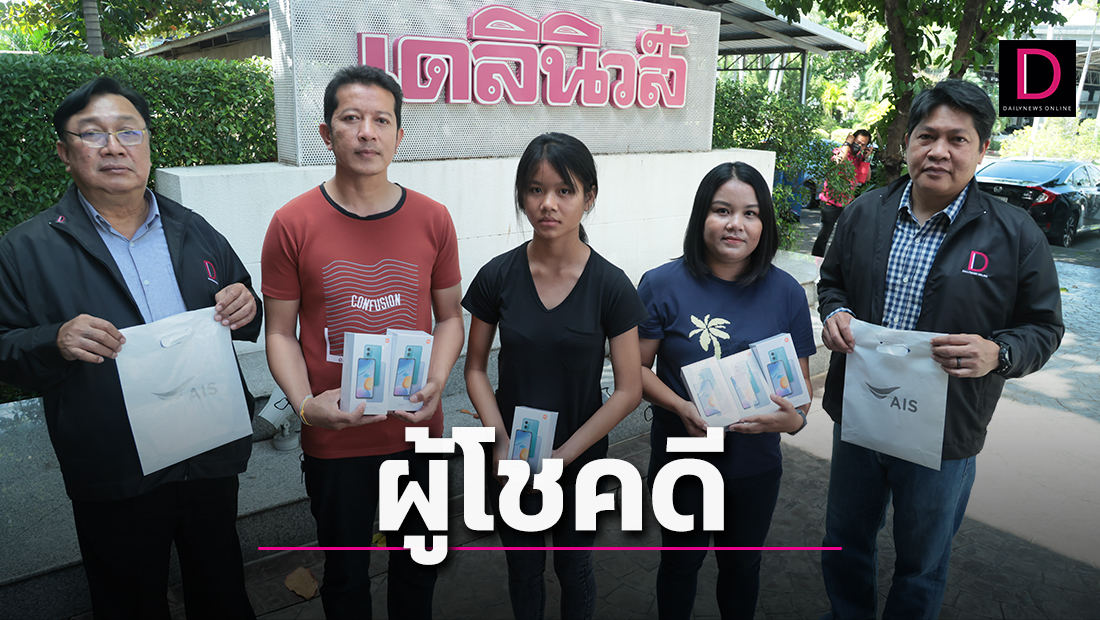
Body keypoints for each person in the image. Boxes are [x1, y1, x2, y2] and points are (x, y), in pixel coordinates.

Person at [0, 77, 260, 619]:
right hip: (114, 460)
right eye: (93, 134)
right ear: (64, 152)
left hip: (206, 448)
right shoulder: (26, 248)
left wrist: (246, 304)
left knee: (221, 586)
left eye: (128, 132)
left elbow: (242, 300)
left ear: (147, 144)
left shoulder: (193, 228)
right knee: (127, 599)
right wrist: (54, 339)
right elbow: (6, 347)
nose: (114, 147)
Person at [817, 79, 1063, 618]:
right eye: (927, 136)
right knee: (844, 542)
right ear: (908, 141)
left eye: (958, 139)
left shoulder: (1016, 234)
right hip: (860, 416)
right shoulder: (865, 212)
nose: (939, 151)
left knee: (922, 562)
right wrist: (834, 313)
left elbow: (1044, 327)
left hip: (945, 430)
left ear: (982, 149)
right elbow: (832, 284)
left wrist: (998, 353)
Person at [261, 65, 465, 619]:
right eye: (351, 118)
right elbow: (278, 331)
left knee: (417, 565)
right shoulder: (292, 223)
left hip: (416, 432)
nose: (367, 132)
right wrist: (306, 407)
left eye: (382, 120)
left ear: (399, 134)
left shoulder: (433, 219)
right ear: (327, 134)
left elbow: (450, 318)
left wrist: (438, 379)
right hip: (335, 439)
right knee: (346, 575)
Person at [462, 132, 647, 620]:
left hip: (580, 460)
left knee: (574, 568)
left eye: (565, 190)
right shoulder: (497, 275)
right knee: (523, 570)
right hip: (511, 457)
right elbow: (474, 368)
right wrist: (498, 438)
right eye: (535, 189)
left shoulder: (611, 285)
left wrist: (566, 455)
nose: (548, 203)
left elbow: (628, 390)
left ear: (589, 197)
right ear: (522, 196)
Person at [637, 161, 814, 619]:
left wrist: (794, 420)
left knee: (741, 570)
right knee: (679, 567)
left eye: (750, 213)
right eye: (722, 210)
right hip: (682, 460)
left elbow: (800, 395)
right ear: (702, 216)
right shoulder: (661, 284)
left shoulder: (787, 293)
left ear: (764, 223)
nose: (736, 224)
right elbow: (633, 370)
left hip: (755, 466)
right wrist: (680, 405)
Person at [812, 129, 871, 257]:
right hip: (831, 201)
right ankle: (815, 262)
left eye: (863, 145)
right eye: (857, 142)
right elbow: (837, 162)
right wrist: (847, 144)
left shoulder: (859, 159)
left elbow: (865, 179)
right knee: (823, 236)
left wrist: (866, 159)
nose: (859, 146)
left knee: (844, 238)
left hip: (847, 203)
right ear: (852, 139)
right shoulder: (840, 151)